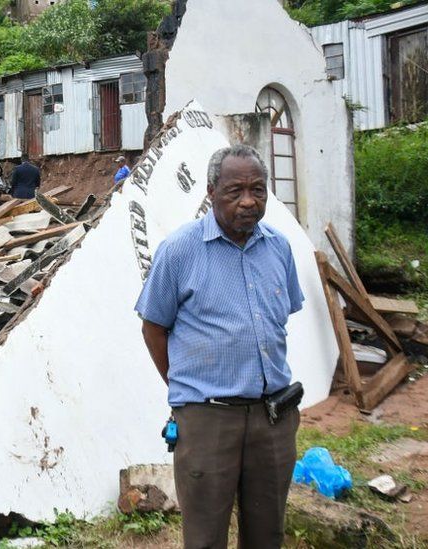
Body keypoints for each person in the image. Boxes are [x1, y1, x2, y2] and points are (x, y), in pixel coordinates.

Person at [134, 145, 303, 549]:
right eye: (235, 191)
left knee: (268, 535)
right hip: (208, 421)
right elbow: (153, 328)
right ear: (211, 192)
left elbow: (282, 318)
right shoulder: (180, 251)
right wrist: (186, 392)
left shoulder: (279, 248)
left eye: (258, 190)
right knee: (206, 538)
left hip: (273, 418)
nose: (248, 201)